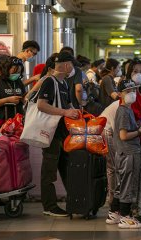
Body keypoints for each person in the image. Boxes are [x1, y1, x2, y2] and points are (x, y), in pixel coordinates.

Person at [37, 51, 79, 217]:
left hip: (62, 134)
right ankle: (49, 206)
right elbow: (41, 105)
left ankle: (76, 200)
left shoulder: (64, 84)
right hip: (51, 133)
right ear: (67, 65)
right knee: (49, 170)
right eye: (73, 66)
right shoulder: (49, 81)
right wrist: (65, 112)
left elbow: (66, 106)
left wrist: (73, 111)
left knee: (66, 168)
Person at [106, 79, 141, 229]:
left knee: (121, 184)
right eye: (128, 91)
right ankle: (125, 217)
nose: (132, 93)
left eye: (133, 90)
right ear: (119, 94)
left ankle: (114, 213)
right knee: (128, 186)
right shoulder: (124, 111)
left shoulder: (126, 110)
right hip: (129, 152)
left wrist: (138, 126)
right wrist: (140, 132)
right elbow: (124, 135)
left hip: (123, 152)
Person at [0, 57, 26, 128]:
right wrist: (8, 100)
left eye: (18, 72)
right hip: (1, 121)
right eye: (14, 72)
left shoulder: (18, 81)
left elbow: (24, 96)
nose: (16, 74)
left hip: (18, 121)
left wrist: (24, 100)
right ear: (6, 69)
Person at [99, 100, 120, 206]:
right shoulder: (119, 106)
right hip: (106, 131)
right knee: (112, 167)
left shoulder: (120, 104)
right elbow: (117, 130)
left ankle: (112, 196)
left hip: (106, 130)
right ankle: (112, 198)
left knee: (113, 167)